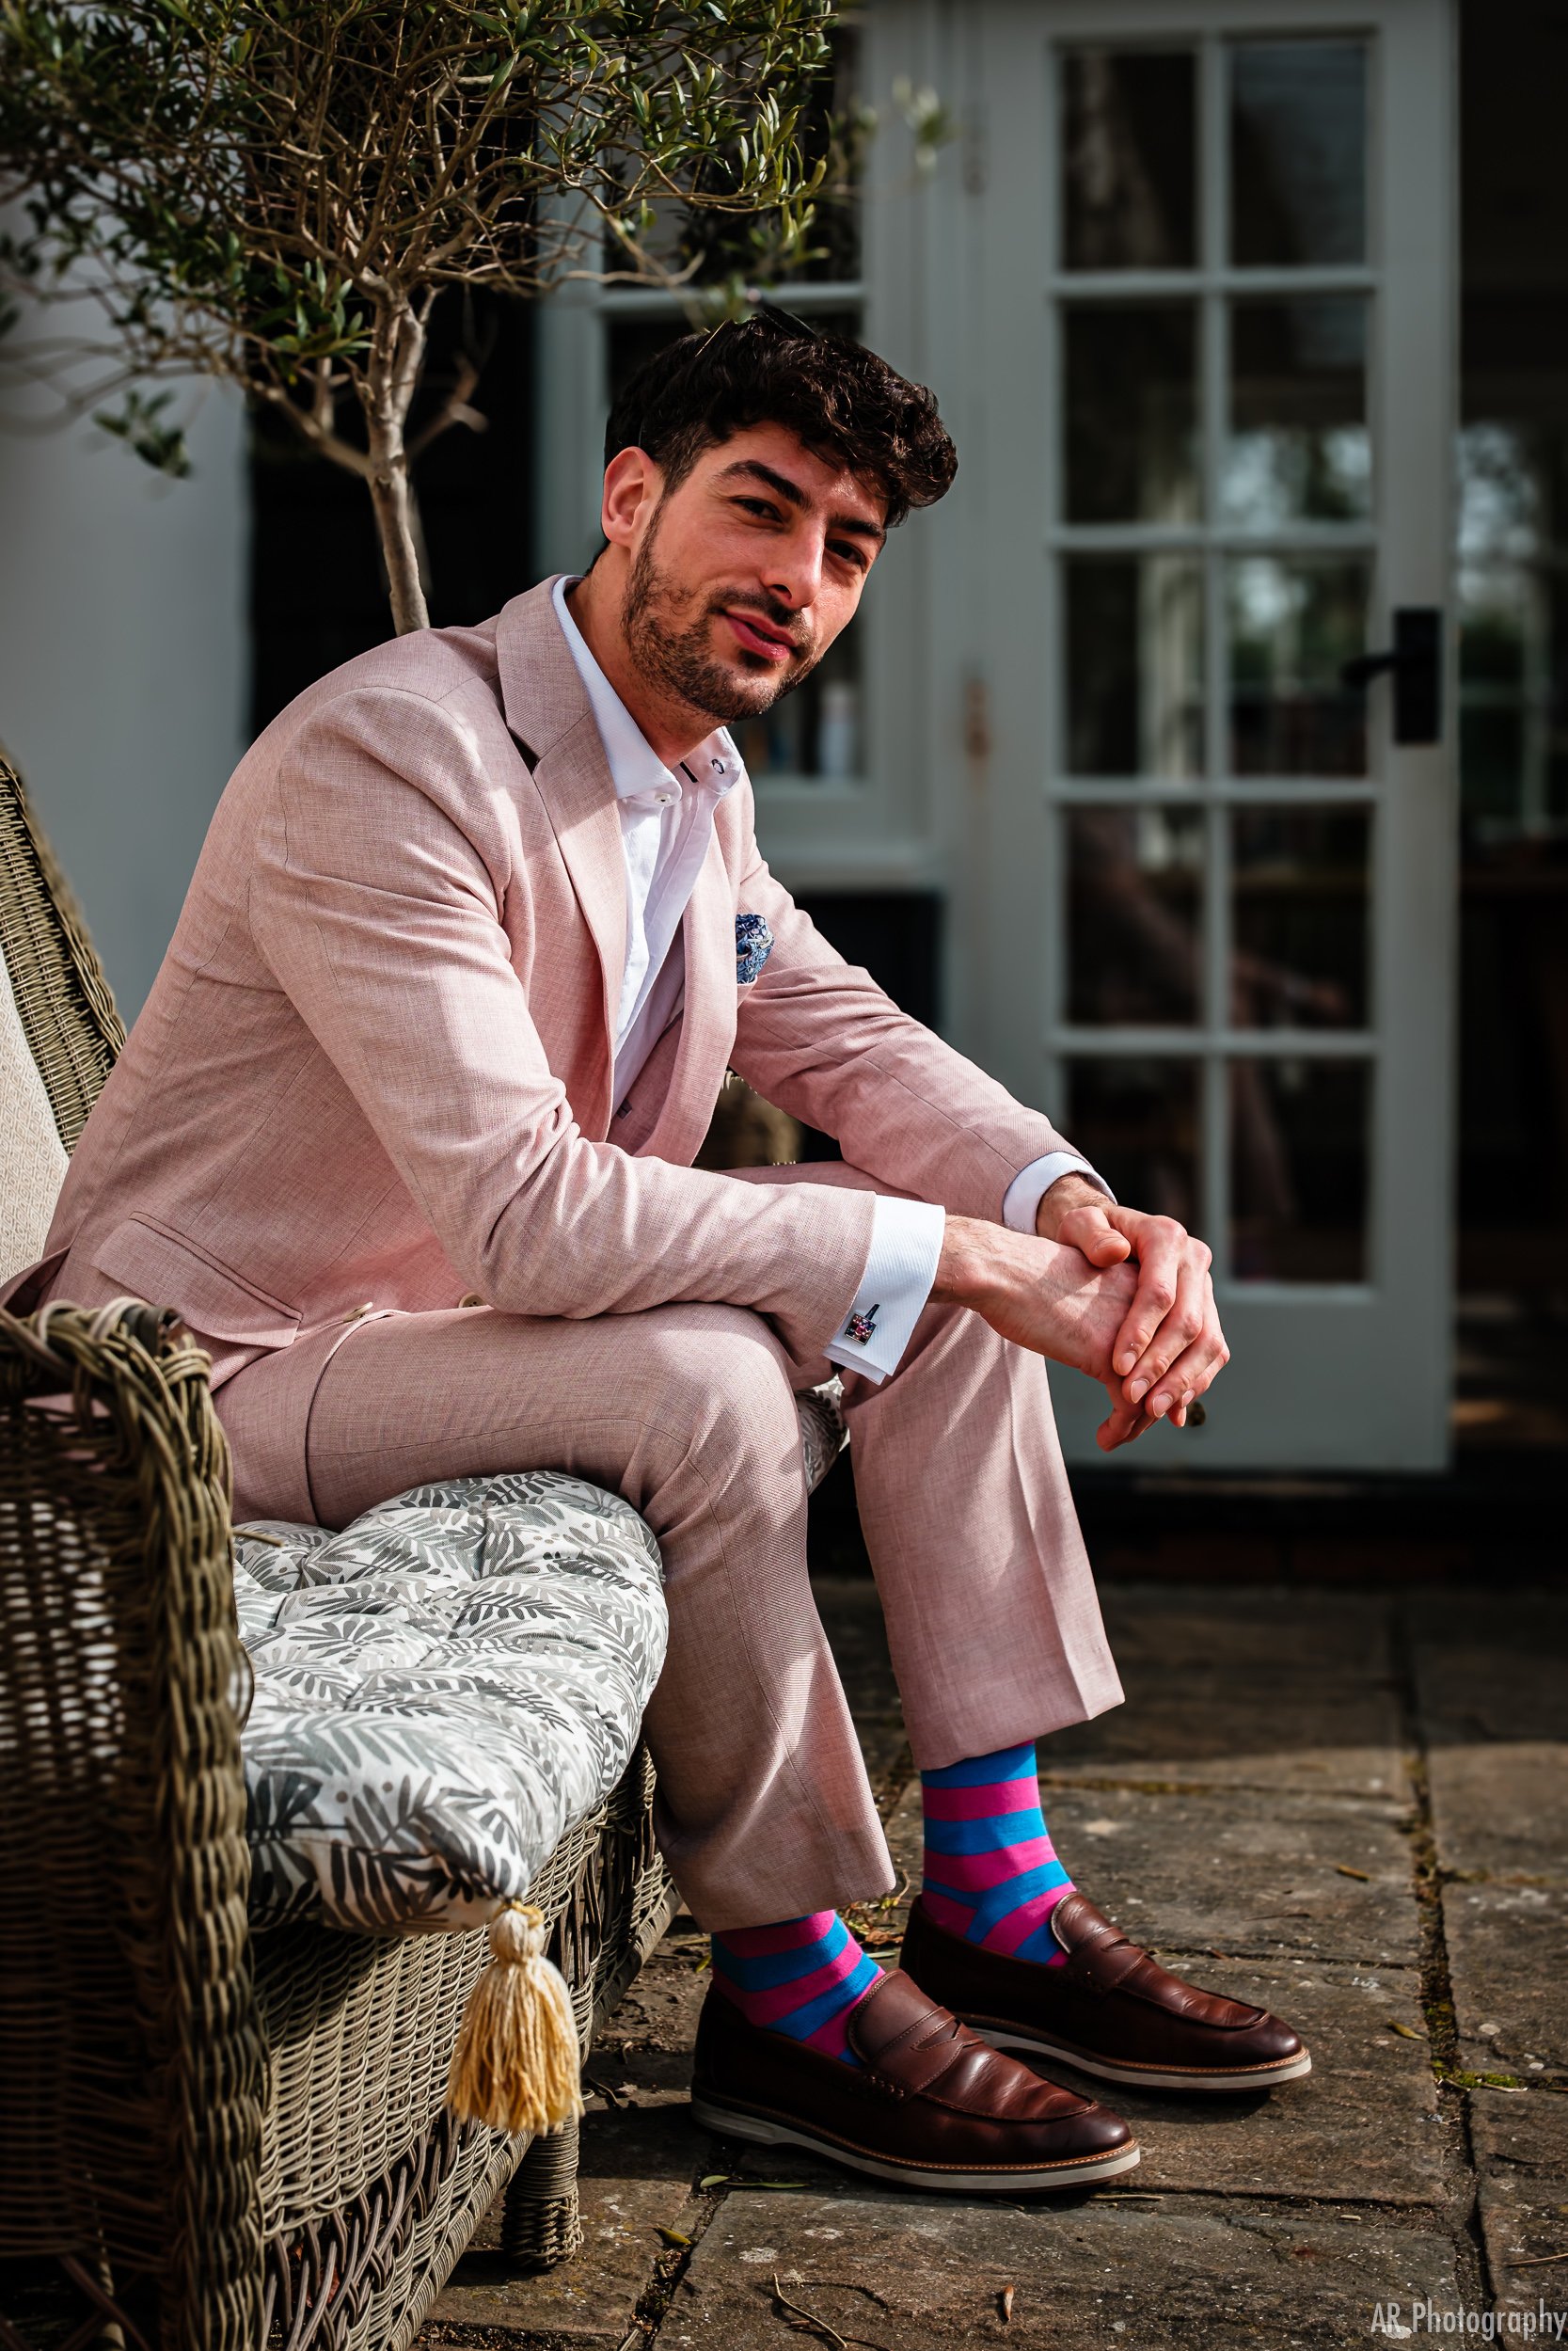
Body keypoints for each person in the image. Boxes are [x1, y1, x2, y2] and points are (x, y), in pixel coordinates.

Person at [3, 308, 1307, 2194]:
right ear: (631, 496)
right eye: (761, 510)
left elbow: (846, 1039)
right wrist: (945, 1245)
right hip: (211, 1368)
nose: (799, 578)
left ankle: (1000, 1899)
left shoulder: (691, 780)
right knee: (740, 1356)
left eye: (845, 548)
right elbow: (526, 1205)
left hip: (438, 1330)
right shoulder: (400, 748)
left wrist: (1067, 1215)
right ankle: (786, 1992)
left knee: (939, 1288)